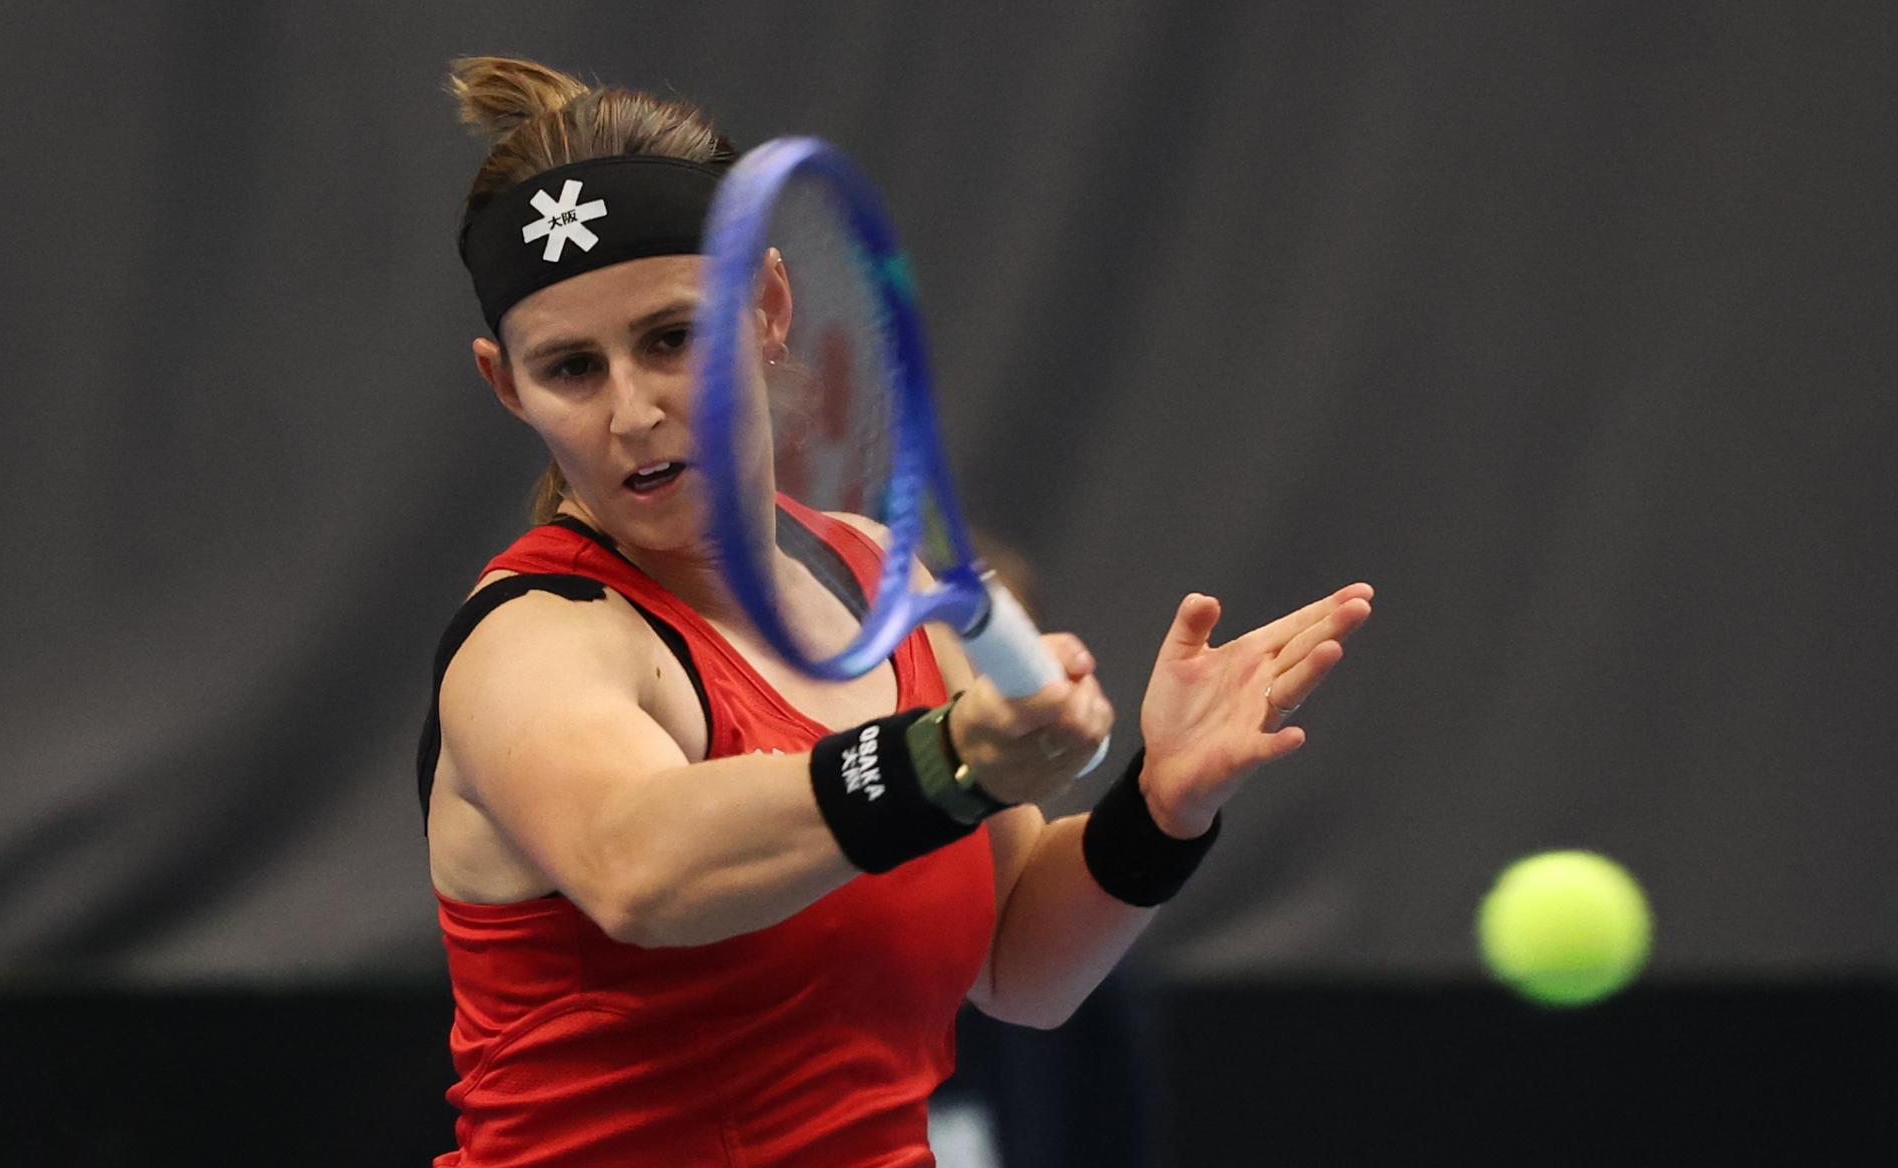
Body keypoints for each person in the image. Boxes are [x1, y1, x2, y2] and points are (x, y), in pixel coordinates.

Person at [419, 55, 1374, 1168]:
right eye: (572, 368)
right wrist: (948, 756)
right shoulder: (532, 641)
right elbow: (641, 868)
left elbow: (1020, 967)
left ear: (768, 306)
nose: (633, 410)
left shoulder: (880, 577)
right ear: (505, 383)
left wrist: (1158, 808)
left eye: (672, 338)